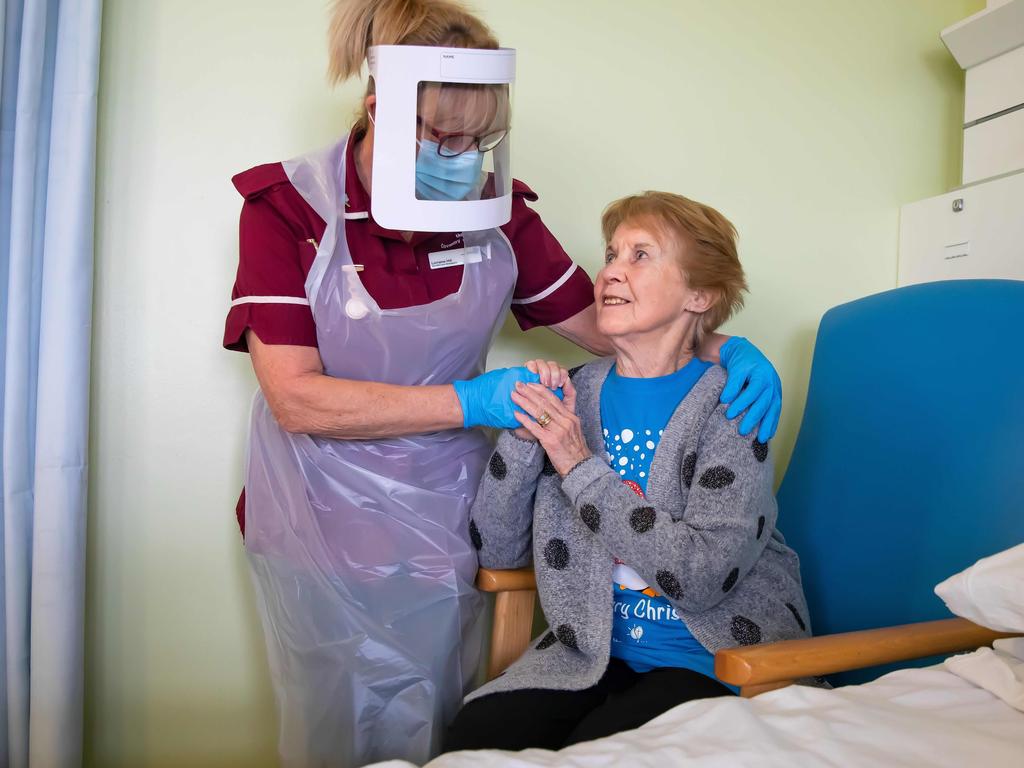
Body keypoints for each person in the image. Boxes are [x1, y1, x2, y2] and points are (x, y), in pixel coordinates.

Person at [223, 1, 782, 765]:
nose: (461, 158)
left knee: (440, 712)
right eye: (440, 137)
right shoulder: (288, 210)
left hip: (445, 510)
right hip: (318, 511)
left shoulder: (495, 210)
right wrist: (473, 401)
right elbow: (295, 396)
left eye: (477, 140)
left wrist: (724, 343)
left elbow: (607, 319)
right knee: (336, 720)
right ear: (378, 109)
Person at [444, 191, 810, 752]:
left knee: (602, 752)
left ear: (700, 294)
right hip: (590, 652)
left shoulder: (733, 404)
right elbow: (494, 552)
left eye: (641, 255)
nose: (611, 270)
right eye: (611, 254)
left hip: (716, 657)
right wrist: (522, 438)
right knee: (477, 735)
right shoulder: (574, 393)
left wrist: (575, 461)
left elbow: (702, 576)